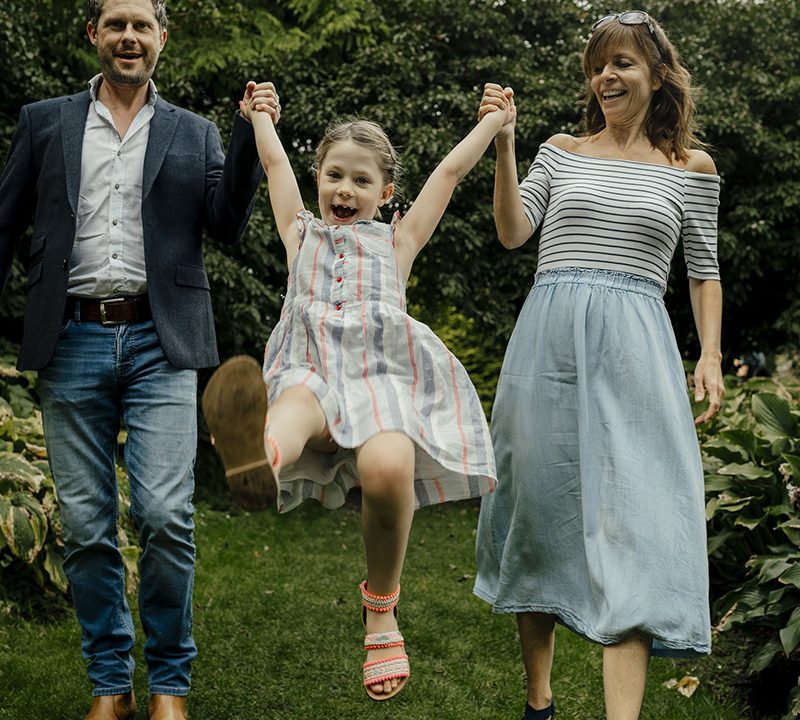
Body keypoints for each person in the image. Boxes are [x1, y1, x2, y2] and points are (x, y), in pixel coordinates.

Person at [0, 1, 271, 718]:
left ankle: (170, 685)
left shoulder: (194, 131)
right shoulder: (44, 122)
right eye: (116, 23)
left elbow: (226, 223)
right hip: (70, 338)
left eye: (142, 25)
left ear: (161, 38)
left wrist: (248, 136)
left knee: (165, 514)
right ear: (94, 33)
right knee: (87, 526)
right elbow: (4, 224)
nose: (129, 37)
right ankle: (110, 685)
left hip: (161, 340)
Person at [201, 87, 507, 700]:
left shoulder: (399, 241)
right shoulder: (299, 233)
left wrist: (495, 123)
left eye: (361, 180)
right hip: (311, 370)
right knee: (291, 409)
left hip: (379, 383)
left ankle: (381, 606)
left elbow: (449, 172)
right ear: (318, 179)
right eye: (334, 175)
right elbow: (273, 162)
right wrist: (260, 115)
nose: (345, 189)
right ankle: (260, 459)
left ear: (385, 193)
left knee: (389, 466)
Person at [473, 11, 724, 720]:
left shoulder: (691, 169)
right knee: (539, 513)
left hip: (637, 355)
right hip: (547, 351)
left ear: (658, 76)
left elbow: (704, 271)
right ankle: (540, 703)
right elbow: (513, 231)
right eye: (598, 66)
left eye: (622, 63)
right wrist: (506, 145)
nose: (605, 76)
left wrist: (709, 354)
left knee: (638, 526)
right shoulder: (560, 152)